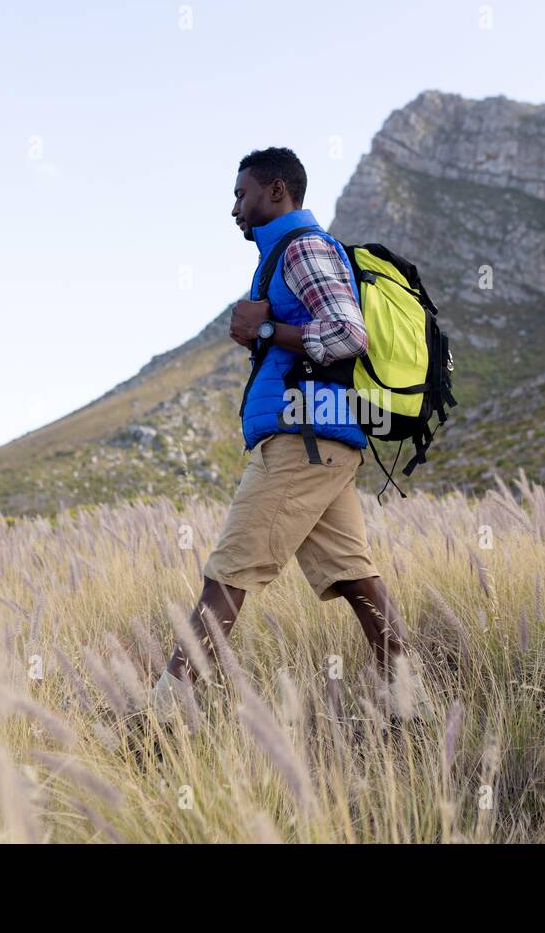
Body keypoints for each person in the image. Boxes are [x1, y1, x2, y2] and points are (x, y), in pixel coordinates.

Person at [149, 147, 431, 723]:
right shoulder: (283, 252)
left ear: (276, 191)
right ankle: (414, 709)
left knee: (227, 574)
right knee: (356, 579)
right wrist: (262, 334)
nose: (234, 208)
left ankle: (160, 722)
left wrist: (268, 328)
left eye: (241, 194)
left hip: (302, 440)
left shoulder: (301, 247)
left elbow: (350, 334)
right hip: (322, 442)